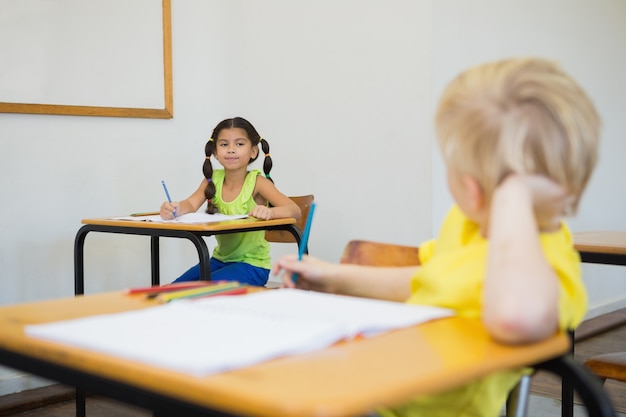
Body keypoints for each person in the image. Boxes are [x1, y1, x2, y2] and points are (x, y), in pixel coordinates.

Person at [274, 58, 600, 417]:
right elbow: (427, 280)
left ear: (472, 190)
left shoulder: (549, 264)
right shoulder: (465, 223)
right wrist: (334, 278)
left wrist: (511, 195)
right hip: (375, 389)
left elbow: (515, 317)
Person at [161, 117, 301, 286]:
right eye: (224, 144)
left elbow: (294, 210)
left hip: (252, 266)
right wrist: (174, 208)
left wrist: (270, 212)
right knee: (170, 289)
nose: (231, 150)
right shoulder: (211, 180)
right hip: (219, 261)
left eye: (240, 144)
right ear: (215, 152)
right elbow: (190, 204)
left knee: (197, 291)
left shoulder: (257, 182)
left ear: (253, 151)